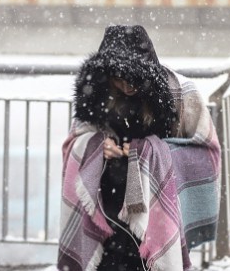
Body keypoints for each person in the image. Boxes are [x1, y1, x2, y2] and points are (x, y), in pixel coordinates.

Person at [58, 25, 221, 271]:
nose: (125, 87)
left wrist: (144, 153)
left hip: (157, 205)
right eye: (118, 79)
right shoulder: (95, 94)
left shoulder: (179, 93)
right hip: (107, 204)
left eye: (132, 79)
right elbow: (73, 144)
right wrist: (97, 147)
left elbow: (206, 153)